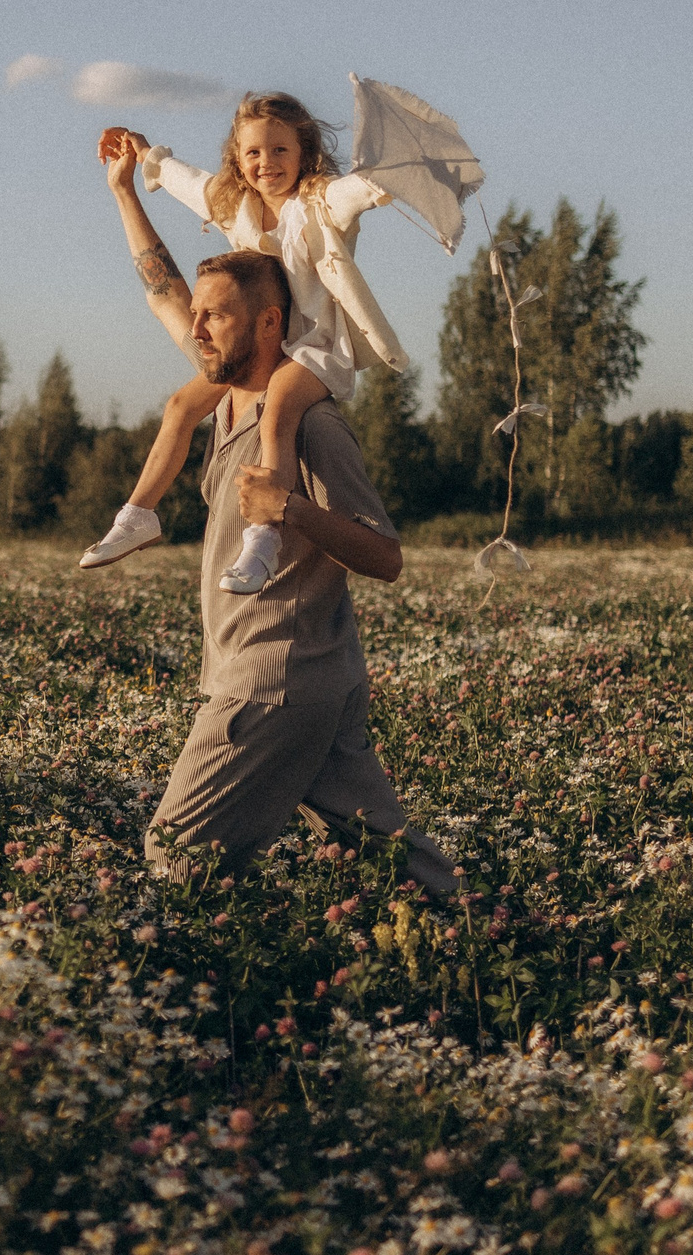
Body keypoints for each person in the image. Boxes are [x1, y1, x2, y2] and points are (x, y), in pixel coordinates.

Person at [129, 244, 456, 897]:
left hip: (277, 677)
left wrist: (292, 509)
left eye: (216, 317)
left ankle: (209, 985)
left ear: (270, 324)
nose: (196, 330)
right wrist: (127, 189)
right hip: (312, 678)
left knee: (176, 857)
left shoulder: (314, 427)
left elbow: (384, 557)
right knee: (399, 872)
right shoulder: (224, 411)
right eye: (197, 316)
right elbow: (160, 284)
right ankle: (509, 944)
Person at [78, 94, 410, 595]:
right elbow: (187, 184)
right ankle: (139, 513)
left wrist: (391, 174)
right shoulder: (238, 209)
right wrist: (146, 161)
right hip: (264, 352)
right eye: (253, 153)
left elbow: (359, 192)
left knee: (277, 412)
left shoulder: (319, 204)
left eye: (280, 150)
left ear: (305, 154)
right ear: (238, 159)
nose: (266, 163)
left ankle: (262, 536)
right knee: (180, 405)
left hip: (314, 350)